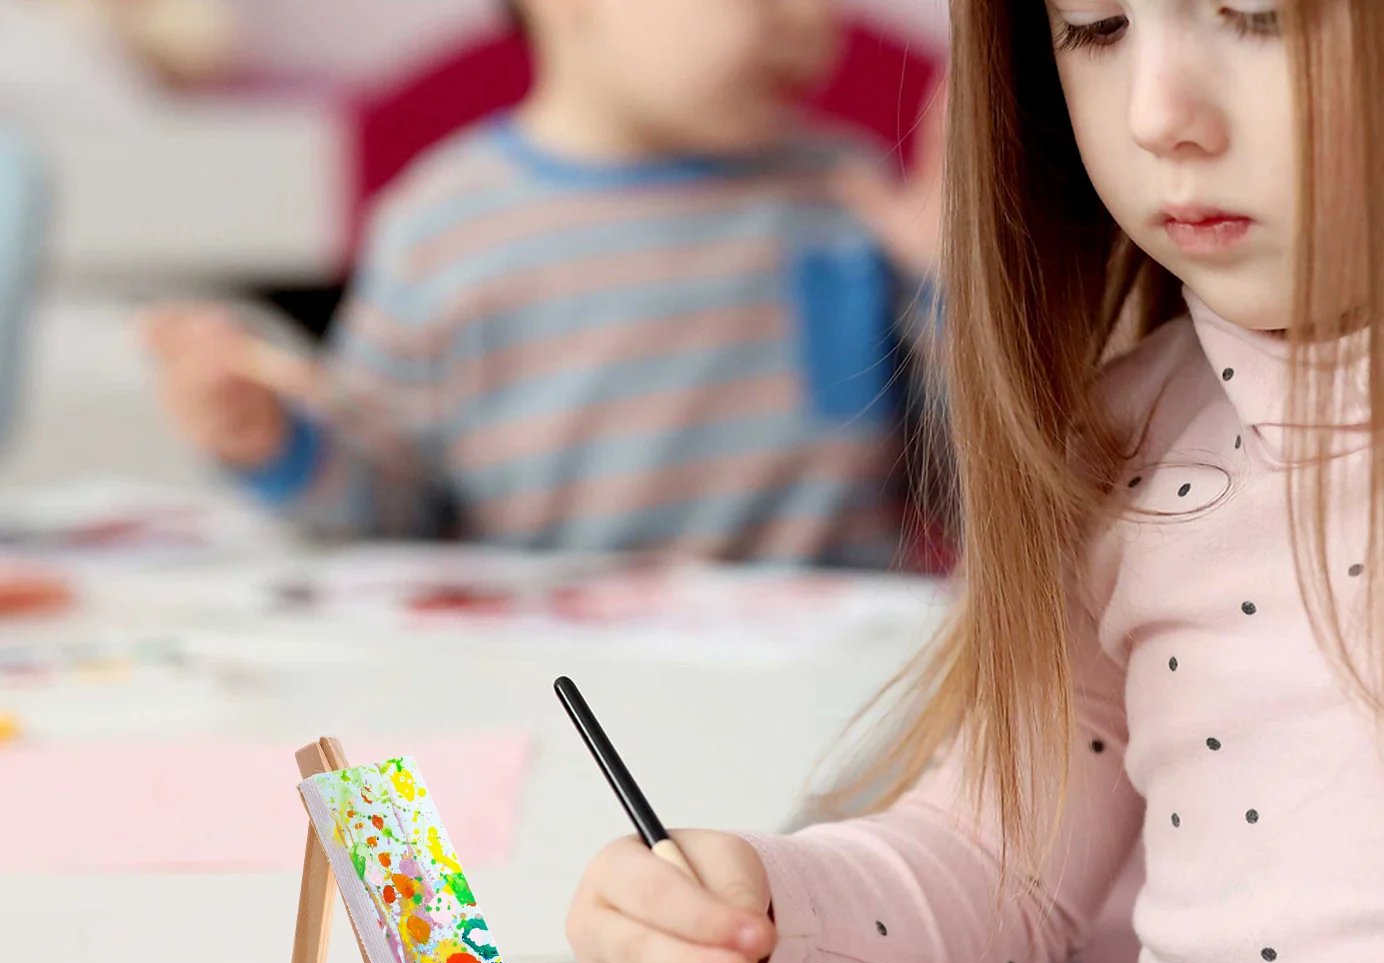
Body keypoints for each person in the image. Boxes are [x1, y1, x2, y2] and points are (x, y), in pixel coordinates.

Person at [565, 0, 1384, 963]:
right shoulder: (1120, 442)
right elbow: (995, 867)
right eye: (1097, 28)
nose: (1159, 114)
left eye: (1258, 15)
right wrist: (759, 910)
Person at [144, 0, 944, 564]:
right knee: (362, 793)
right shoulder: (440, 228)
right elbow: (388, 513)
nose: (812, 19)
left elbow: (973, 487)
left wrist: (954, 292)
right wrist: (276, 442)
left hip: (827, 696)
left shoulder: (850, 193)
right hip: (554, 692)